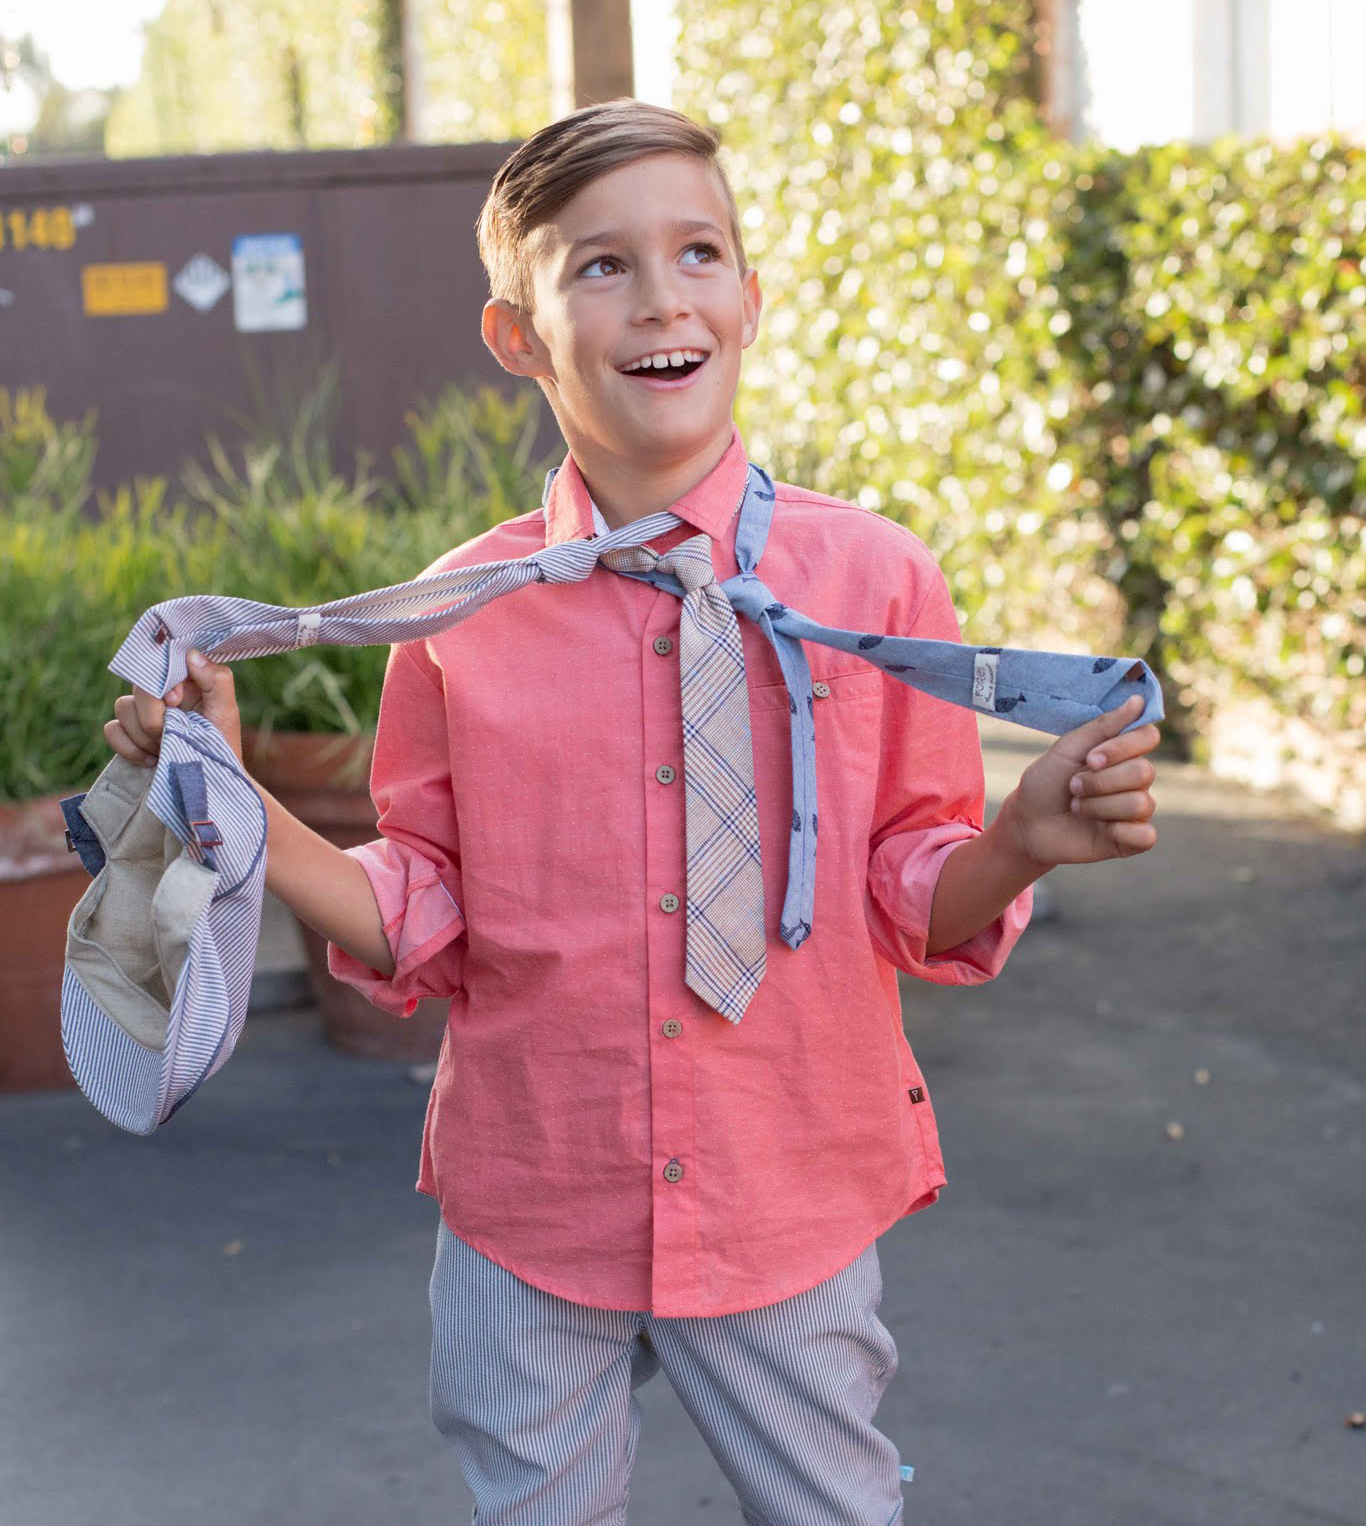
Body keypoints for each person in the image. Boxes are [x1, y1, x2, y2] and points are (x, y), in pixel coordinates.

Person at [103, 99, 1160, 1526]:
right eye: (600, 266)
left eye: (698, 252)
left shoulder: (879, 586)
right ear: (518, 334)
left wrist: (1022, 835)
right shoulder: (455, 618)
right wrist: (235, 809)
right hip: (532, 1198)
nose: (662, 295)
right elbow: (420, 901)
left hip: (786, 1192)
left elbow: (910, 890)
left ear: (749, 298)